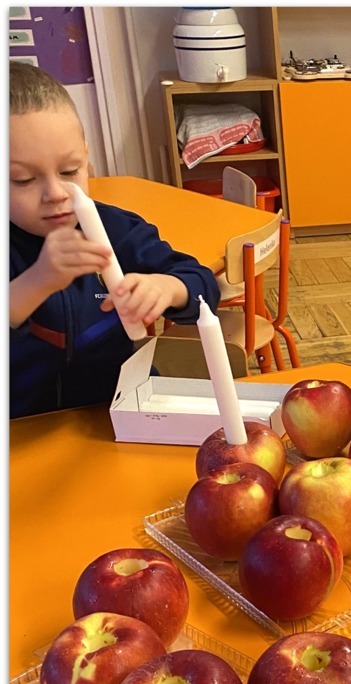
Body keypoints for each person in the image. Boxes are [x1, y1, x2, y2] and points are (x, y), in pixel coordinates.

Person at [9, 61, 220, 418]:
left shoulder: (115, 229)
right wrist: (36, 282)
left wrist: (167, 288)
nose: (56, 193)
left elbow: (203, 285)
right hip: (24, 426)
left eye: (69, 170)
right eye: (23, 179)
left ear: (86, 157)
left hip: (119, 412)